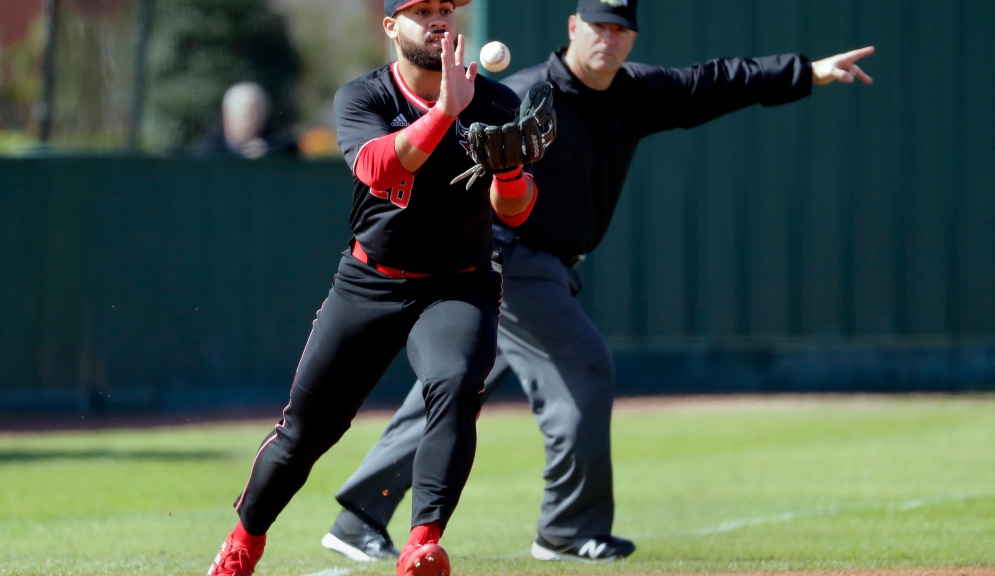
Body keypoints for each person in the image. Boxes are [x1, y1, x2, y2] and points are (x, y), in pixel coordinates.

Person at [320, 0, 875, 564]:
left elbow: (712, 83)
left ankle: (359, 515)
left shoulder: (635, 92)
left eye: (620, 29)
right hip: (510, 258)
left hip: (547, 265)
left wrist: (806, 71)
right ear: (572, 29)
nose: (608, 39)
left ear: (631, 38)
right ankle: (566, 529)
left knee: (453, 390)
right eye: (598, 26)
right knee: (583, 367)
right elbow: (437, 163)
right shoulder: (524, 92)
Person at [205, 1, 543, 575]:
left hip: (457, 285)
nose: (439, 20)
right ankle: (243, 542)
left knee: (455, 384)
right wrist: (444, 112)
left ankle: (422, 543)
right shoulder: (363, 97)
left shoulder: (495, 101)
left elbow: (516, 212)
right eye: (422, 11)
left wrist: (509, 173)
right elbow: (381, 169)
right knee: (305, 433)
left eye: (445, 9)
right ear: (391, 27)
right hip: (372, 281)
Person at [192, 81, 299, 159]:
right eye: (247, 114)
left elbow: (291, 148)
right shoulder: (209, 148)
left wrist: (269, 152)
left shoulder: (276, 142)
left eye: (259, 114)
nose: (252, 121)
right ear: (228, 116)